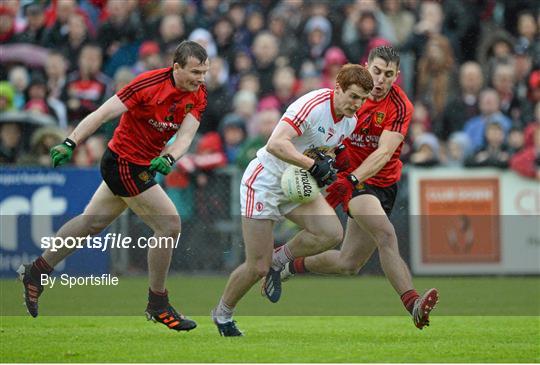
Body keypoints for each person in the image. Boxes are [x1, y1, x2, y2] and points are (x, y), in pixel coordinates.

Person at [17, 41, 209, 332]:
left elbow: (185, 137)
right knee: (169, 225)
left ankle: (36, 271)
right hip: (122, 163)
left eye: (204, 72)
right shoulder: (147, 84)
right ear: (176, 67)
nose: (201, 78)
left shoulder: (198, 93)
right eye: (195, 72)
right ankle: (158, 303)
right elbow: (102, 113)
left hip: (139, 166)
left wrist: (170, 156)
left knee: (90, 223)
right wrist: (71, 142)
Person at [276, 46, 439, 330]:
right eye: (376, 71)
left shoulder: (401, 106)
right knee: (386, 234)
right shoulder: (352, 95)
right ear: (367, 67)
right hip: (354, 181)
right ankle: (413, 303)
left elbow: (384, 153)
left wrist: (350, 179)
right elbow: (323, 128)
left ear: (397, 76)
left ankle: (290, 265)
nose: (381, 79)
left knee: (348, 264)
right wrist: (335, 171)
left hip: (381, 183)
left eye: (389, 74)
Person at [211, 64, 374, 336]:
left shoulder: (350, 120)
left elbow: (327, 150)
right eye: (354, 96)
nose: (357, 104)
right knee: (257, 267)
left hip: (295, 184)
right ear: (338, 88)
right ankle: (222, 314)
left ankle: (279, 260)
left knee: (331, 233)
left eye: (363, 99)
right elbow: (276, 143)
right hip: (264, 181)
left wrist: (333, 164)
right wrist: (312, 165)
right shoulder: (312, 105)